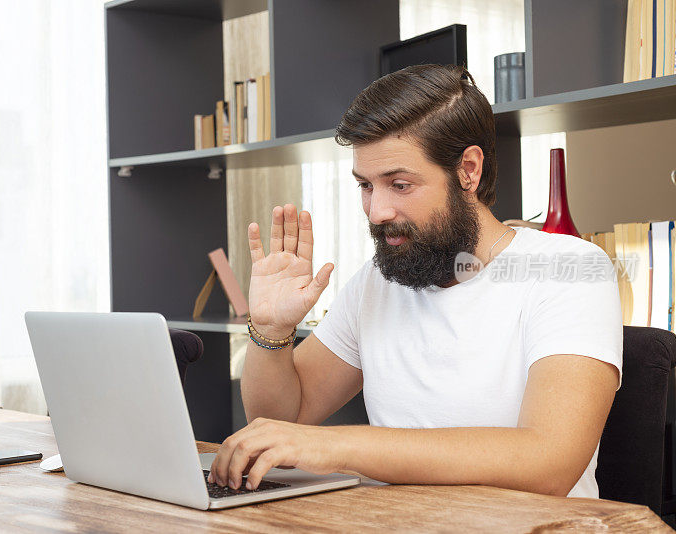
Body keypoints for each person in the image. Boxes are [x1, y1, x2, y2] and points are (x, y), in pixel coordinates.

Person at [207, 64, 622, 498]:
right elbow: (283, 418)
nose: (376, 211)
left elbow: (549, 461)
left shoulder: (569, 270)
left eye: (400, 184)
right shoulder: (376, 282)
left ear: (468, 170)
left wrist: (337, 445)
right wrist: (271, 331)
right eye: (365, 186)